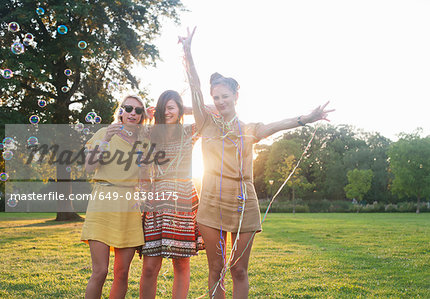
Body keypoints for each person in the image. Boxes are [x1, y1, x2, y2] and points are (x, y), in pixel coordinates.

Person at [179, 27, 334, 298]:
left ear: (236, 97)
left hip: (243, 201)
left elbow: (278, 125)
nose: (220, 101)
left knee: (238, 269)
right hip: (211, 200)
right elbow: (194, 86)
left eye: (225, 96)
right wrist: (188, 53)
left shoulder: (249, 129)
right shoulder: (206, 123)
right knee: (216, 269)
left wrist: (307, 118)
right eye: (215, 97)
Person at [81, 95, 149, 299]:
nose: (133, 113)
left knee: (122, 273)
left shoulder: (143, 142)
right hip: (102, 202)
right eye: (128, 108)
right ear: (121, 111)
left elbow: (144, 178)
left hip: (129, 205)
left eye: (138, 111)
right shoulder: (104, 133)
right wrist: (106, 140)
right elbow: (89, 167)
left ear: (142, 116)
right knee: (100, 271)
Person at [139, 90, 204, 299]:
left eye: (171, 107)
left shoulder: (188, 131)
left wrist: (185, 108)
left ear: (179, 109)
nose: (167, 112)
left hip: (183, 201)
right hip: (156, 200)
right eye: (163, 107)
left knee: (181, 263)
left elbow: (214, 113)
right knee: (150, 265)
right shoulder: (150, 133)